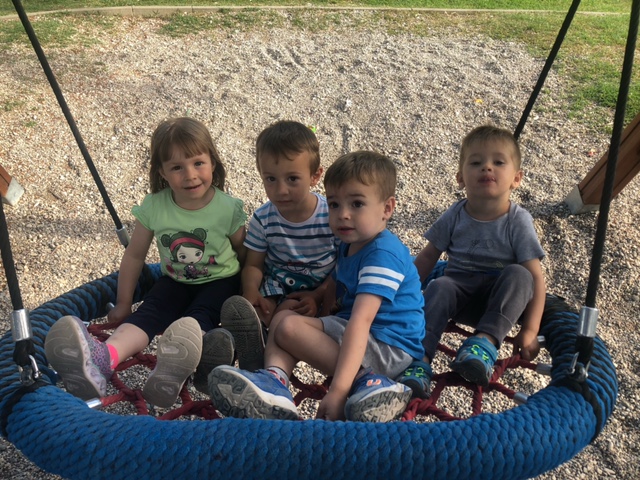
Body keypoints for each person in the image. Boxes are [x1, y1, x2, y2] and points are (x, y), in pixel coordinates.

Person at [208, 150, 425, 422]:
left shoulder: (382, 255)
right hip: (363, 333)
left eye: (357, 204)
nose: (343, 214)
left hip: (389, 346)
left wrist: (338, 392)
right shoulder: (352, 242)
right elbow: (337, 279)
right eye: (334, 204)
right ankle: (275, 381)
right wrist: (317, 298)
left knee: (289, 327)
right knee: (284, 317)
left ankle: (368, 382)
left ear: (387, 209)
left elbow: (362, 321)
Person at [45, 117, 247, 407]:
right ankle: (104, 358)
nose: (190, 175)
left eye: (198, 163)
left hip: (221, 281)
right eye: (177, 167)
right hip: (174, 280)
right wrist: (124, 302)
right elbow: (135, 255)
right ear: (162, 172)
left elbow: (243, 251)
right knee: (148, 313)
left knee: (198, 317)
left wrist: (249, 291)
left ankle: (179, 363)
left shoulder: (227, 207)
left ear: (213, 162)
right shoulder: (155, 206)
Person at [398, 124, 546, 398]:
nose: (487, 167)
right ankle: (419, 360)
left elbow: (536, 278)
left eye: (498, 162)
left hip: (500, 302)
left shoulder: (518, 221)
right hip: (459, 295)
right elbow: (428, 257)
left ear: (516, 178)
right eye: (476, 163)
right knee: (440, 286)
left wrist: (530, 329)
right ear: (460, 178)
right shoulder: (455, 215)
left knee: (520, 274)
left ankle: (483, 343)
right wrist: (402, 295)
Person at [220, 120, 337, 372]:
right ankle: (244, 348)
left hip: (321, 287)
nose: (281, 190)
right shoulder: (264, 218)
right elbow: (254, 264)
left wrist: (319, 294)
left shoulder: (330, 216)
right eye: (271, 179)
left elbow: (344, 263)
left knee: (292, 314)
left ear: (315, 176)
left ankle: (261, 355)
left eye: (292, 179)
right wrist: (251, 291)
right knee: (256, 310)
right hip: (277, 283)